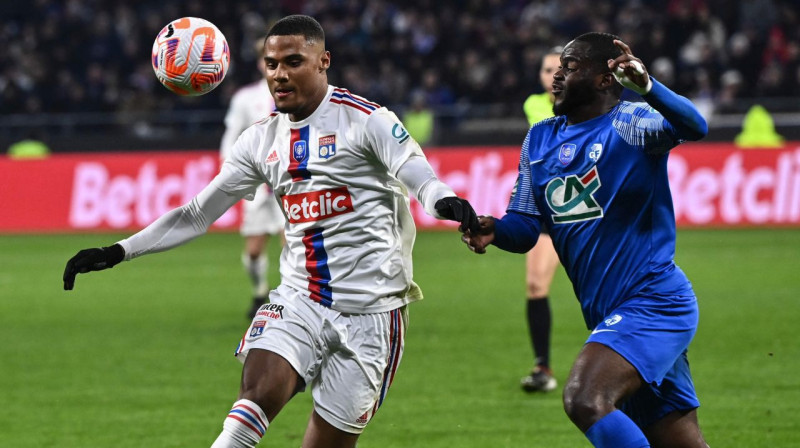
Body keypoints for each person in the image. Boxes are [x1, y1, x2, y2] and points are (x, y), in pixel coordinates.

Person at [63, 15, 479, 448]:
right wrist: (117, 251)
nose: (279, 75)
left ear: (323, 62)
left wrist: (444, 202)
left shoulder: (367, 121)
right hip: (299, 299)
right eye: (271, 64)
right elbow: (196, 214)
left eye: (293, 61)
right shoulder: (259, 141)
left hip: (373, 314)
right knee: (255, 398)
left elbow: (418, 174)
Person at [461, 33, 710, 447]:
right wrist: (495, 230)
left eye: (570, 67)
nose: (557, 77)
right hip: (606, 314)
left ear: (603, 79)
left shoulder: (630, 124)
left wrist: (648, 88)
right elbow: (525, 227)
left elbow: (694, 126)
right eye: (558, 67)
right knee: (678, 440)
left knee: (584, 398)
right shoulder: (539, 139)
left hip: (653, 303)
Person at [220, 36, 286, 318]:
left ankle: (289, 298)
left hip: (290, 181)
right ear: (261, 64)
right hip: (258, 184)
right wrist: (231, 173)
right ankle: (260, 292)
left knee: (293, 244)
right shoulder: (246, 99)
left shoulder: (298, 93)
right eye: (267, 59)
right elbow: (230, 138)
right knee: (255, 250)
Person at [519, 46, 563, 393]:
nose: (552, 77)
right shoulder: (535, 106)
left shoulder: (591, 104)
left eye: (558, 70)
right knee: (536, 285)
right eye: (547, 70)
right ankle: (543, 367)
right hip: (549, 206)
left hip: (584, 208)